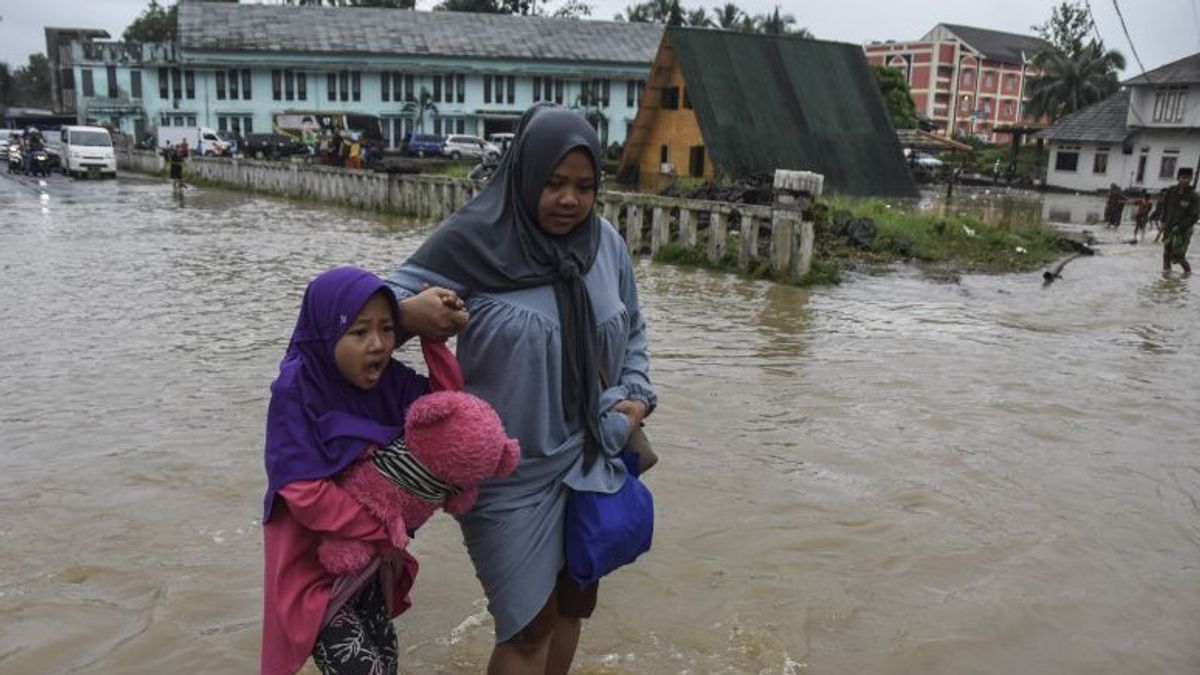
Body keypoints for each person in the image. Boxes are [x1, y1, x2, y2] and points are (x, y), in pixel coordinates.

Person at [386, 104, 657, 675]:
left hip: (591, 455)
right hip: (504, 474)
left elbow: (631, 323)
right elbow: (371, 307)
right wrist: (411, 314)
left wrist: (636, 394)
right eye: (555, 183)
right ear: (524, 174)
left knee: (570, 607)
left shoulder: (604, 243)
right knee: (526, 627)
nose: (570, 200)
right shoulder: (474, 242)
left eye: (585, 187)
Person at [261, 267, 467, 675]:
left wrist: (434, 341)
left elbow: (447, 414)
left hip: (372, 569)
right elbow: (303, 493)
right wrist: (382, 529)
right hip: (314, 577)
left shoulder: (387, 380)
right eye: (358, 333)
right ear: (325, 333)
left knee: (385, 663)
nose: (378, 345)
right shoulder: (296, 389)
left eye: (388, 329)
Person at [1159, 167, 1199, 277]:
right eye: (1183, 177)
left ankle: (1187, 273)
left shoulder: (1194, 196)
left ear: (1191, 179)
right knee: (1166, 252)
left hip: (1183, 230)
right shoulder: (1171, 191)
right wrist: (1162, 221)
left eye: (1187, 178)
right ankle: (1166, 275)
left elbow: (1194, 216)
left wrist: (1180, 226)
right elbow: (1165, 208)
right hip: (1169, 226)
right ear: (1178, 178)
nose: (1185, 180)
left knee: (1179, 255)